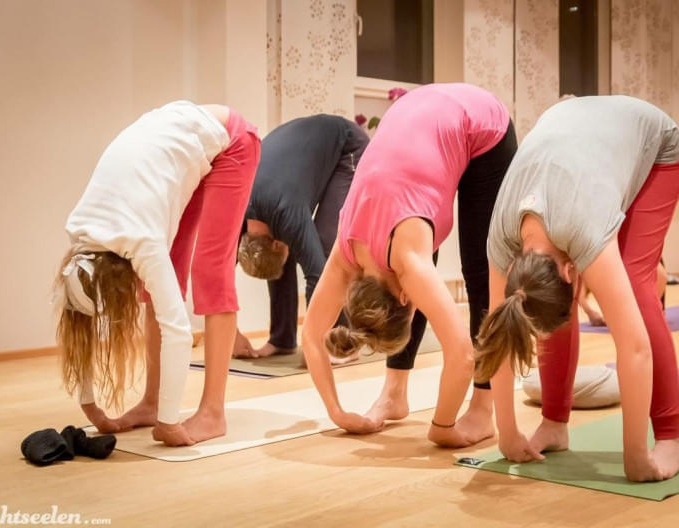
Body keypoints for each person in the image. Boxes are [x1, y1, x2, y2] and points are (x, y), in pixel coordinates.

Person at [476, 95, 679, 481]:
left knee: (636, 286)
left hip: (656, 145)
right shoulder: (501, 240)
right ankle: (554, 423)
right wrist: (507, 432)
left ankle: (672, 434)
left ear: (572, 272)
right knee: (544, 302)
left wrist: (636, 457)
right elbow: (496, 336)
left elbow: (634, 347)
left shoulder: (583, 228)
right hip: (575, 135)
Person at [301, 83, 517, 444]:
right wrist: (337, 413)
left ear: (404, 299)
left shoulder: (402, 259)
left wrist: (442, 427)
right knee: (413, 241)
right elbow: (310, 336)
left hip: (482, 125)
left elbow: (462, 354)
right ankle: (394, 393)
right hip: (419, 111)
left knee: (482, 275)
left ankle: (482, 410)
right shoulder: (347, 254)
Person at [55, 101, 260, 447]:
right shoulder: (80, 240)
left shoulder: (140, 240)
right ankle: (151, 402)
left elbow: (178, 332)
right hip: (179, 148)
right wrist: (89, 404)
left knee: (210, 270)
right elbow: (78, 322)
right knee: (162, 283)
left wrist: (170, 423)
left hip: (231, 142)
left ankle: (213, 412)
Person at [235, 114, 368, 359]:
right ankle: (282, 340)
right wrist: (231, 335)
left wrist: (314, 344)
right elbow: (215, 272)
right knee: (285, 256)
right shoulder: (237, 215)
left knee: (326, 245)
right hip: (301, 146)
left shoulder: (286, 212)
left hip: (347, 144)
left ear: (276, 242)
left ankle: (344, 344)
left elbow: (317, 275)